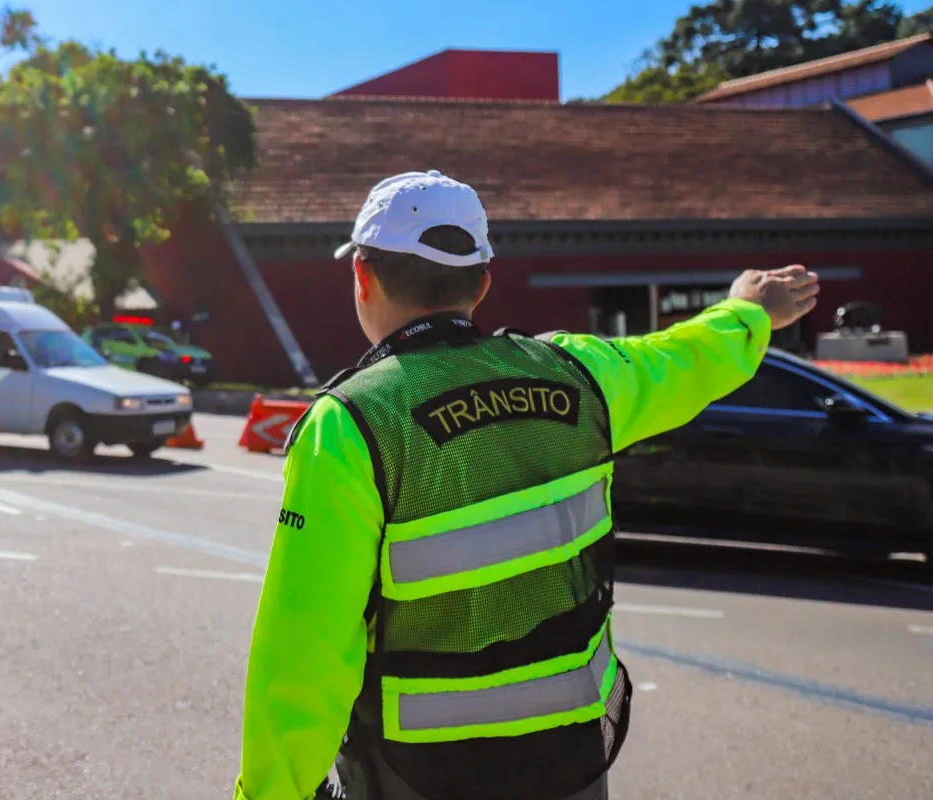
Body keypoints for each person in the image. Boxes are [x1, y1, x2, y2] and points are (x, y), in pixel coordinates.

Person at [232, 170, 820, 800]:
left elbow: (303, 656)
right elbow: (683, 358)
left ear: (362, 277)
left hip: (417, 775)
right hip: (566, 761)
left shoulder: (350, 424)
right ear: (482, 284)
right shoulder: (580, 376)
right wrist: (749, 311)